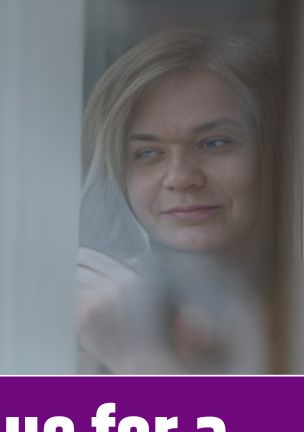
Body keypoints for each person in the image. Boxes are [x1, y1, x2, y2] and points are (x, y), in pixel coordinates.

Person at [76, 29, 289, 375]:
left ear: (281, 154)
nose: (180, 176)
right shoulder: (93, 309)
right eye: (147, 153)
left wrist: (142, 365)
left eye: (214, 143)